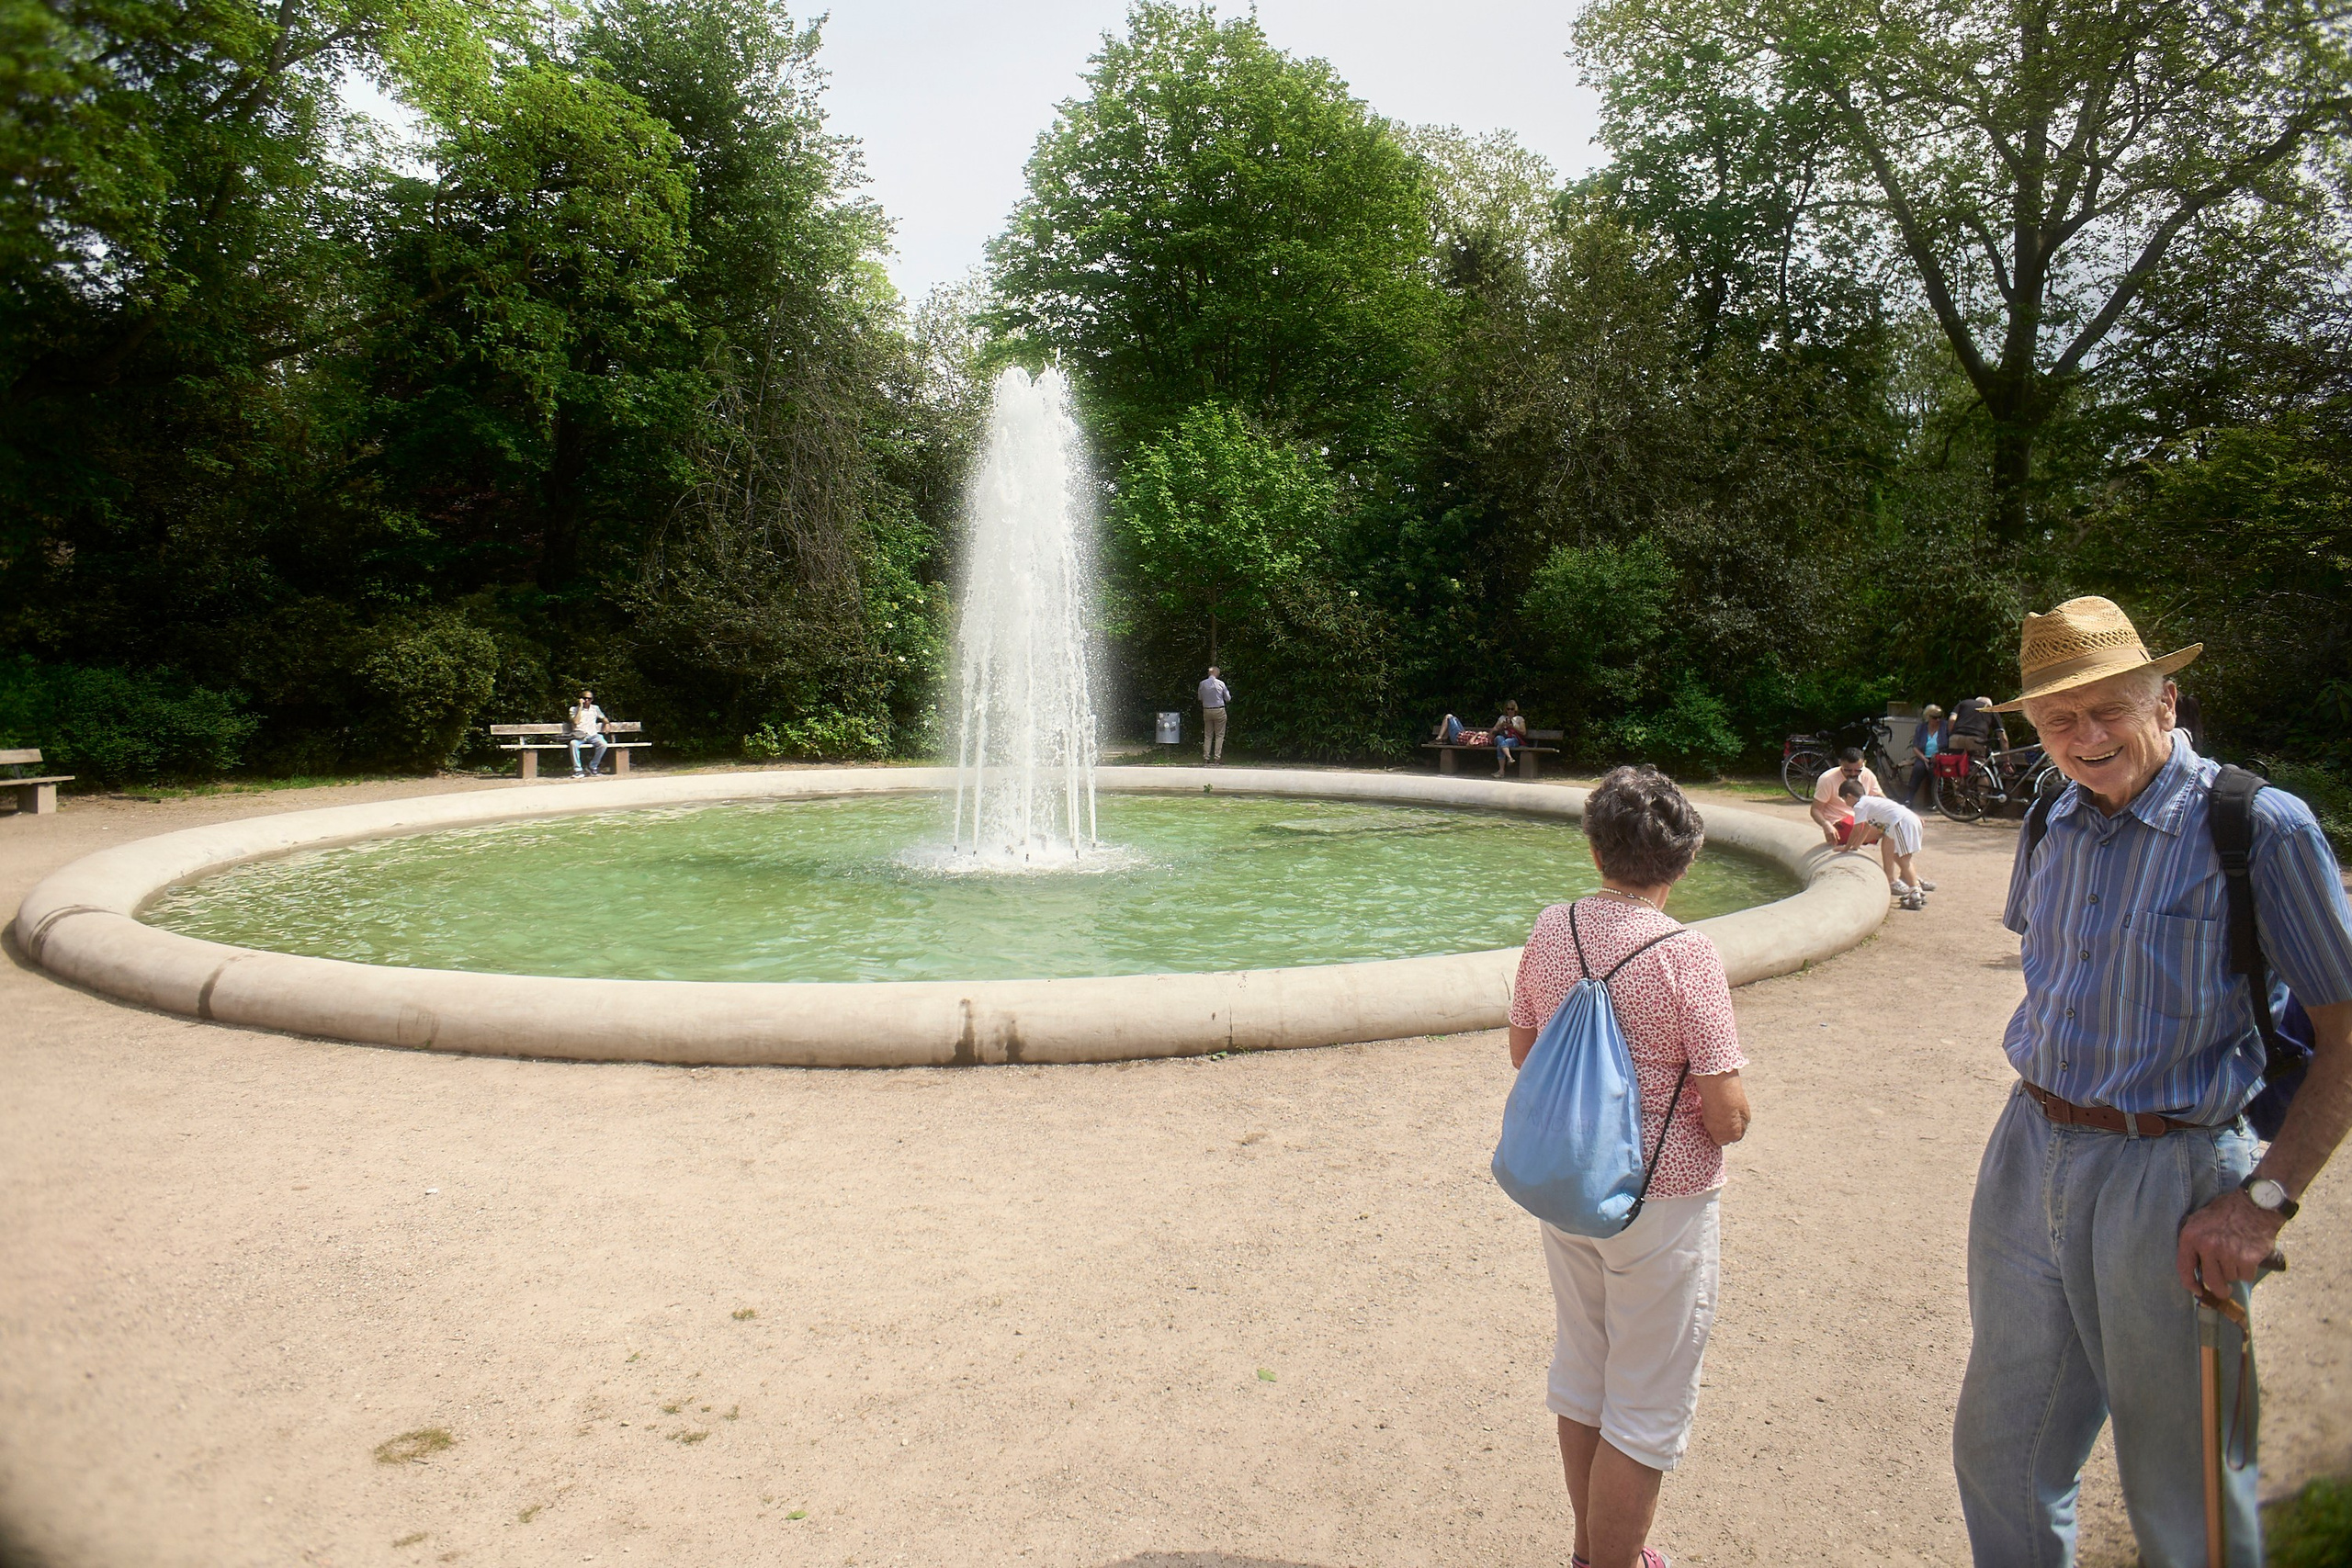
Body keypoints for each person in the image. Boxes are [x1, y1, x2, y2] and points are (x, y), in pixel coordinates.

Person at [1951, 596, 2352, 1566]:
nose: (2084, 738)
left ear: (2166, 702)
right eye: (2057, 719)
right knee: (1999, 1452)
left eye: (2107, 710)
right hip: (2028, 1147)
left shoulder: (2259, 829)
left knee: (2186, 1489)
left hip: (2171, 1175)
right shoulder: (2050, 815)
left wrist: (2261, 1203)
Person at [1507, 765, 1753, 1568]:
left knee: (1583, 1376)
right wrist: (1735, 1122)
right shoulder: (1689, 953)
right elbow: (1726, 1108)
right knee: (1645, 1404)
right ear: (1685, 860)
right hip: (1663, 1199)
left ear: (1594, 847)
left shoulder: (1553, 927)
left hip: (1569, 1187)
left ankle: (1594, 1552)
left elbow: (1524, 1049)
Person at [1837, 777, 1934, 908]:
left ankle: (1915, 892)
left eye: (1844, 799)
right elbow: (1866, 827)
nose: (1845, 803)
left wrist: (1846, 848)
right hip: (1909, 820)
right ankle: (1915, 888)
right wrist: (1855, 847)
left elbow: (1856, 829)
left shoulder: (1860, 806)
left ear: (1849, 796)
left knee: (1903, 860)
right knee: (1901, 857)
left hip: (1902, 823)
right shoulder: (1871, 801)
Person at [1809, 747, 1882, 844]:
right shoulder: (1827, 779)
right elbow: (1815, 809)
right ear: (1840, 763)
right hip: (1840, 823)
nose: (1853, 774)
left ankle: (1891, 859)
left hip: (1859, 819)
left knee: (1894, 825)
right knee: (1886, 828)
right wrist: (1826, 825)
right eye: (1847, 770)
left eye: (1857, 771)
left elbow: (1880, 797)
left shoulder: (1867, 774)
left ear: (1863, 764)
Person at [1902, 704, 1946, 807]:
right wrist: (1924, 759)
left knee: (1934, 771)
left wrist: (1939, 755)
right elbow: (1915, 747)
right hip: (1923, 757)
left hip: (1939, 757)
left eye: (1940, 717)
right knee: (1918, 769)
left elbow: (1948, 744)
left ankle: (1935, 802)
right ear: (1928, 717)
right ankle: (1909, 798)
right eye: (1935, 717)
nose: (1938, 720)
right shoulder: (1921, 728)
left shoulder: (1944, 727)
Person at [568, 689, 609, 778]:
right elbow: (575, 721)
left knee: (603, 744)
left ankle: (593, 766)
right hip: (579, 735)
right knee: (573, 744)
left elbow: (604, 718)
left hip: (593, 734)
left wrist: (607, 723)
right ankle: (578, 770)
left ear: (592, 700)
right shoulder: (573, 709)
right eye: (584, 698)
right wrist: (580, 707)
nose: (587, 700)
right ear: (580, 699)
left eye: (589, 699)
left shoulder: (595, 708)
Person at [1197, 667, 1230, 763]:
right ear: (1216, 673)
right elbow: (1227, 698)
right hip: (1219, 709)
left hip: (1207, 710)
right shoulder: (1221, 683)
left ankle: (1206, 757)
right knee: (1219, 735)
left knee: (1208, 735)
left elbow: (1200, 697)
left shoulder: (1202, 684)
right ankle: (1217, 757)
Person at [1492, 701, 1530, 777]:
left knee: (1501, 745)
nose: (1510, 711)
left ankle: (1501, 771)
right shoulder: (1502, 718)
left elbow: (1523, 732)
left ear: (1515, 710)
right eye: (1508, 709)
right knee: (1499, 738)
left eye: (1512, 709)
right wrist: (1501, 726)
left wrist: (1512, 726)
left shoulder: (1519, 719)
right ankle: (1510, 758)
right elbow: (1494, 730)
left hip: (1513, 739)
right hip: (1502, 737)